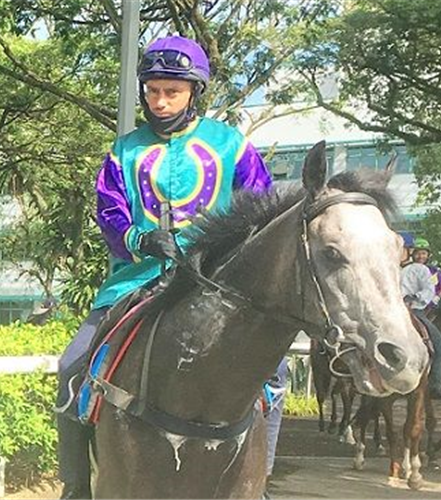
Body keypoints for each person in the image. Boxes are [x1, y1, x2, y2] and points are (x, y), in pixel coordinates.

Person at [55, 35, 273, 500]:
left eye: (171, 91)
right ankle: (76, 489)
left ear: (194, 92)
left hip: (215, 284)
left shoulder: (232, 145)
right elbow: (110, 212)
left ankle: (261, 483)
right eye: (152, 91)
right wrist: (139, 238)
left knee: (272, 378)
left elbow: (260, 210)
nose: (160, 101)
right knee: (72, 366)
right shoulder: (123, 151)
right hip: (135, 281)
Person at [399, 232, 441, 400]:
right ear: (413, 254)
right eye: (418, 253)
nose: (421, 256)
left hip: (398, 309)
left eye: (424, 253)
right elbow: (428, 291)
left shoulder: (400, 269)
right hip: (415, 311)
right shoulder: (422, 270)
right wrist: (416, 297)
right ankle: (435, 386)